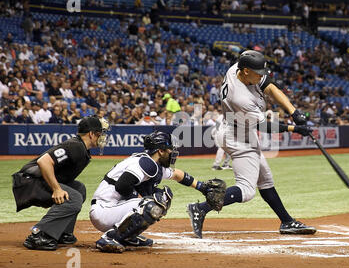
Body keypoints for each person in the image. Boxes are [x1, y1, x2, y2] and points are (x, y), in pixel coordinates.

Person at [186, 50, 316, 238]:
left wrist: (294, 112)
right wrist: (294, 129)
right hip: (237, 138)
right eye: (258, 73)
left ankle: (287, 221)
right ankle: (200, 208)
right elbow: (263, 125)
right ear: (246, 71)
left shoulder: (237, 69)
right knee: (247, 190)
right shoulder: (239, 97)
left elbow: (270, 87)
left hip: (239, 131)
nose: (262, 76)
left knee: (265, 180)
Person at [90, 131, 218, 253]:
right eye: (170, 149)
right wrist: (143, 200)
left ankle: (127, 236)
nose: (173, 152)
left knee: (163, 197)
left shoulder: (154, 164)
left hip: (114, 208)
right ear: (160, 151)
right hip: (104, 210)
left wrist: (202, 187)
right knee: (152, 203)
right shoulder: (145, 163)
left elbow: (177, 175)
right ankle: (110, 237)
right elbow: (122, 186)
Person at [12, 116, 110, 250]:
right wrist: (56, 189)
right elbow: (44, 161)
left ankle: (62, 232)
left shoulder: (81, 148)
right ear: (91, 134)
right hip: (29, 181)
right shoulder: (75, 146)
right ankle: (40, 235)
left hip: (35, 180)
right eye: (100, 133)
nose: (102, 137)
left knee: (79, 188)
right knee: (74, 198)